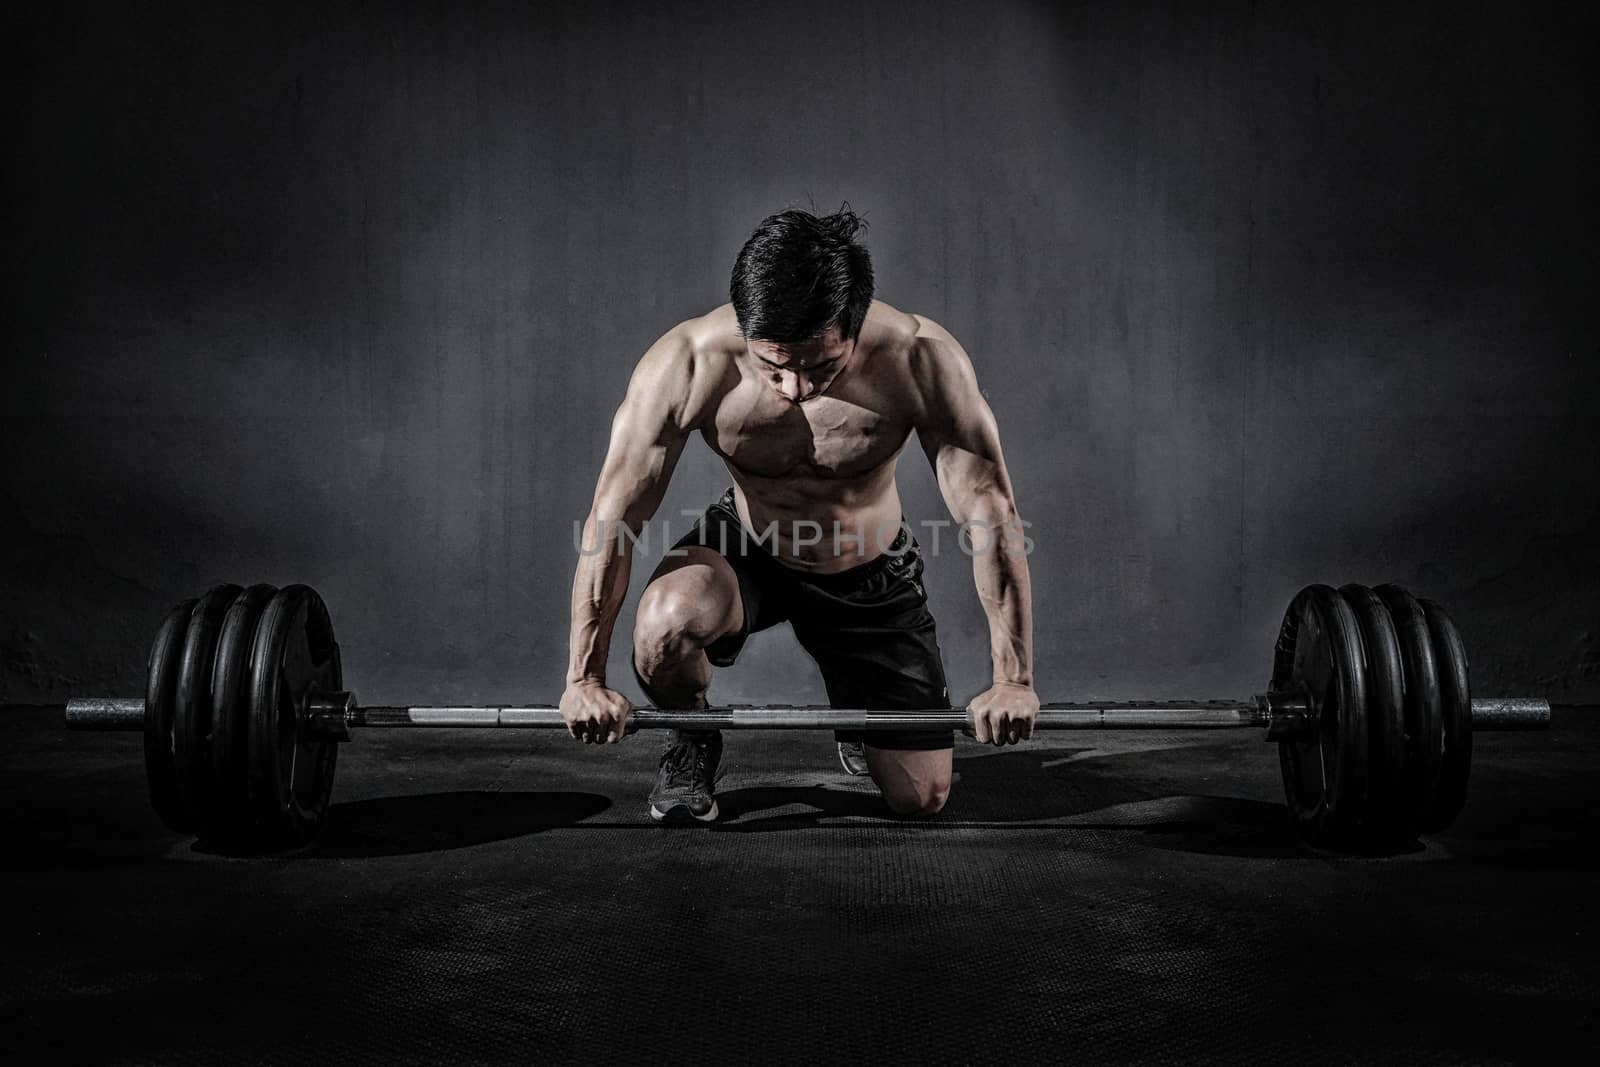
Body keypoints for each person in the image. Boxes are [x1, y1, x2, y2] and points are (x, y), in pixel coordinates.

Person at [559, 206, 1037, 823]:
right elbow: (612, 518)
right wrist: (585, 677)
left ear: (855, 326)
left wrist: (1014, 679)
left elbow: (991, 515)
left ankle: (859, 709)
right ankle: (694, 736)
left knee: (921, 799)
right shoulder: (689, 364)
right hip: (749, 548)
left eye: (819, 367)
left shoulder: (920, 360)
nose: (796, 389)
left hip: (868, 569)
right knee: (663, 627)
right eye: (773, 367)